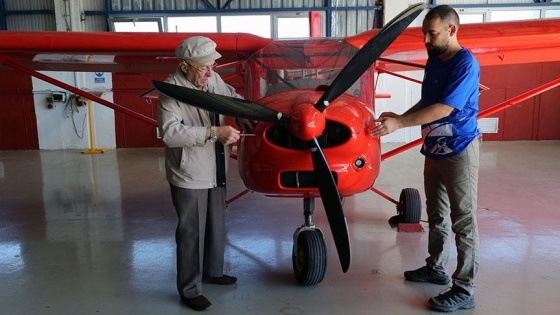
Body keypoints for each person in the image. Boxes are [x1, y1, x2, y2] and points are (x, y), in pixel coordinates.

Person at [371, 5, 481, 313]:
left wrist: (400, 125)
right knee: (436, 214)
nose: (426, 41)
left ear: (451, 30)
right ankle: (436, 267)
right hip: (434, 147)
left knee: (464, 221)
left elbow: (444, 108)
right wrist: (401, 116)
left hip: (459, 149)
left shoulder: (465, 64)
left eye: (431, 34)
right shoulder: (434, 59)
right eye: (424, 34)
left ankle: (465, 287)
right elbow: (428, 101)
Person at [157, 36, 252, 311]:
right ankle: (189, 289)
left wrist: (244, 114)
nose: (211, 73)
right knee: (191, 232)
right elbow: (170, 133)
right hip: (190, 172)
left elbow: (230, 97)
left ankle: (212, 271)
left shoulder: (211, 79)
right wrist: (213, 133)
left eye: (213, 66)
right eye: (204, 68)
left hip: (215, 168)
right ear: (185, 66)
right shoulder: (171, 91)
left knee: (216, 224)